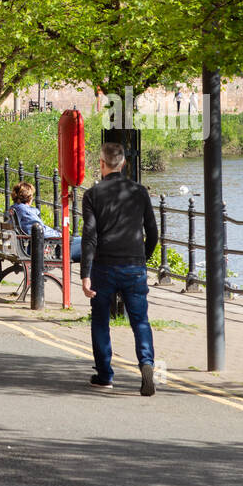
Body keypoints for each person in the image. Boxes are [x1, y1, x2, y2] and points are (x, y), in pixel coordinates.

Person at [80, 141, 159, 396]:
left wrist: (85, 275)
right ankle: (146, 363)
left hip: (103, 267)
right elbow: (153, 232)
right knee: (140, 320)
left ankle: (105, 376)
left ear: (101, 164)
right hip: (134, 266)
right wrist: (143, 258)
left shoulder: (92, 195)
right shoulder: (139, 192)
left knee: (101, 320)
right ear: (123, 163)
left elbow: (90, 237)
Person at [9, 181, 82, 261]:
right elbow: (40, 232)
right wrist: (58, 234)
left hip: (27, 246)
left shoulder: (14, 209)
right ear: (29, 197)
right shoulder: (27, 212)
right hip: (41, 250)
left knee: (85, 242)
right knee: (87, 242)